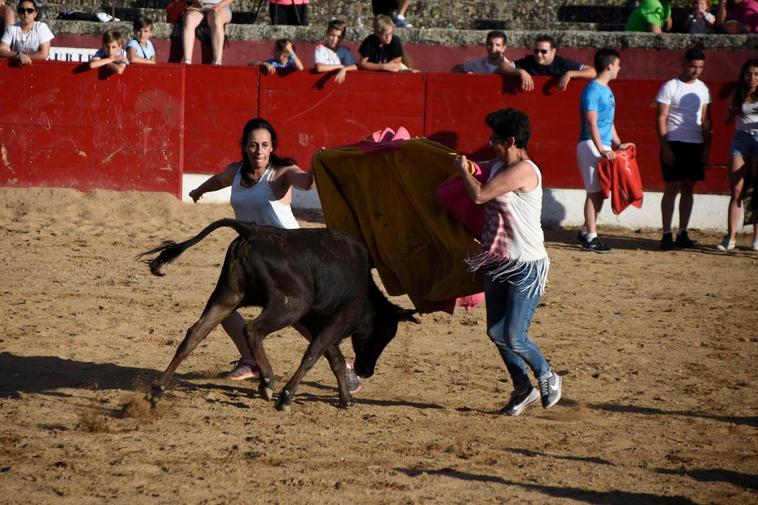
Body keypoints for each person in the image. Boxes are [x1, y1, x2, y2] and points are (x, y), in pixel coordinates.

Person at [187, 118, 363, 391]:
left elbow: (306, 183)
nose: (259, 150)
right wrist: (199, 190)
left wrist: (316, 165)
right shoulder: (235, 172)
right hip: (255, 257)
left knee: (301, 319)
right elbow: (218, 180)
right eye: (254, 145)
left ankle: (345, 367)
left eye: (265, 145)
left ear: (272, 148)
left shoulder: (281, 173)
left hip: (291, 257)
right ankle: (251, 360)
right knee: (224, 307)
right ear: (245, 147)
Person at [455, 108, 562, 416]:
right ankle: (522, 388)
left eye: (496, 140)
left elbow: (479, 196)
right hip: (498, 260)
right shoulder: (499, 164)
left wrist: (464, 171)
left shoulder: (524, 170)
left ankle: (546, 374)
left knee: (513, 334)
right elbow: (480, 167)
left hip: (526, 266)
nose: (491, 145)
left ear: (512, 140)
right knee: (496, 332)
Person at [576, 48, 634, 253]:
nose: (619, 68)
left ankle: (586, 231)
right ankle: (590, 236)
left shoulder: (606, 90)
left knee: (600, 192)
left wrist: (618, 144)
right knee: (594, 193)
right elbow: (591, 123)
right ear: (609, 66)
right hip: (591, 145)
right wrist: (601, 148)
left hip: (602, 145)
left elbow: (608, 123)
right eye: (618, 65)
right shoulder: (592, 90)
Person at [656, 48, 711, 250]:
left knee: (688, 188)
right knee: (672, 188)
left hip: (696, 144)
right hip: (675, 142)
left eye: (700, 67)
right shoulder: (670, 87)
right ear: (684, 64)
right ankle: (666, 233)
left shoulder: (703, 89)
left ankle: (683, 232)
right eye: (693, 66)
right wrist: (665, 145)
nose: (696, 71)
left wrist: (707, 148)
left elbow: (706, 120)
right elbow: (661, 117)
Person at [717, 58, 758, 251]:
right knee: (736, 191)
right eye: (749, 74)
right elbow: (727, 120)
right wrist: (732, 114)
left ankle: (757, 238)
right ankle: (731, 237)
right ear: (743, 75)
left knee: (756, 190)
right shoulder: (738, 93)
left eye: (756, 74)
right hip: (740, 139)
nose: (752, 78)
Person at [499, 35, 596, 92]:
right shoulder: (529, 61)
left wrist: (570, 74)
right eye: (536, 51)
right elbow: (502, 67)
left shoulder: (562, 63)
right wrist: (521, 72)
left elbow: (592, 72)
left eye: (544, 51)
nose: (539, 54)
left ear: (553, 51)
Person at [0, 0, 52, 65]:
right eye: (22, 10)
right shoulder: (12, 29)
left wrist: (23, 57)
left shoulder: (42, 28)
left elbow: (44, 54)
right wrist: (18, 55)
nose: (25, 13)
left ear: (35, 14)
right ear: (18, 13)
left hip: (40, 67)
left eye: (29, 10)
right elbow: (1, 50)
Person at [182, 0, 232, 65]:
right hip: (198, 7)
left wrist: (219, 6)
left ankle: (217, 62)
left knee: (216, 20)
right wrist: (195, 2)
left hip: (221, 6)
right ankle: (187, 61)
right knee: (189, 19)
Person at [314, 19, 357, 84]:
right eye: (332, 35)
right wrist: (339, 66)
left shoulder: (344, 51)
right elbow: (319, 67)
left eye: (338, 36)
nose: (335, 39)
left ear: (343, 37)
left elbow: (355, 66)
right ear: (327, 34)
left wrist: (344, 69)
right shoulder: (321, 49)